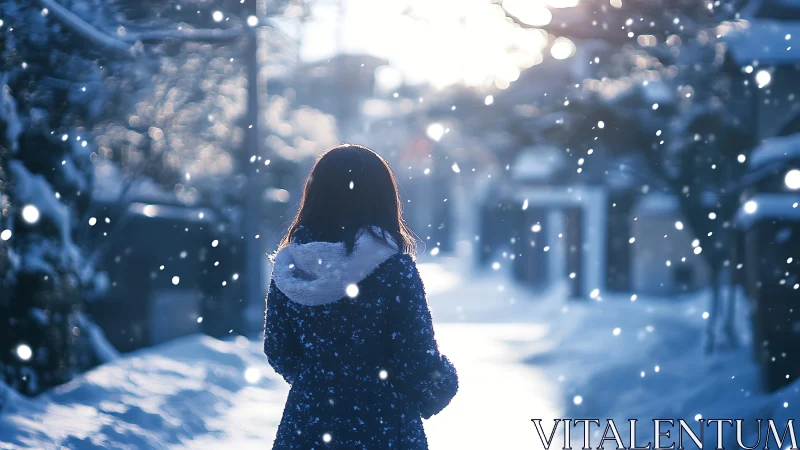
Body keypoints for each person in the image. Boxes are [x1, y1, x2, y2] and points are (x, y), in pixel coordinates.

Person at [264, 144, 458, 449]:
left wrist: (319, 385)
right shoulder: (393, 270)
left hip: (306, 426)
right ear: (383, 199)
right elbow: (416, 362)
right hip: (383, 427)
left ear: (314, 197)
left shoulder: (291, 268)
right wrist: (443, 383)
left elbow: (278, 350)